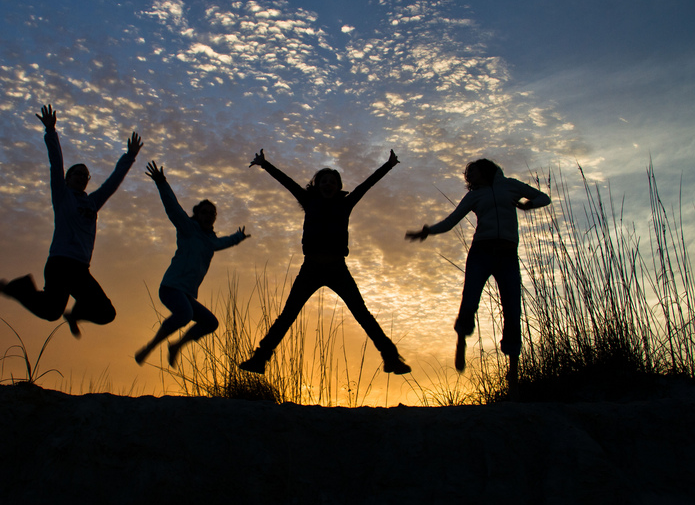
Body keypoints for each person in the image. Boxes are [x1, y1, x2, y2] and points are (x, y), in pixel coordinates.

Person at [239, 149, 411, 375]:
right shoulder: (308, 201)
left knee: (362, 314)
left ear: (338, 187)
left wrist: (388, 166)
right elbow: (288, 182)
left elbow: (366, 185)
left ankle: (391, 358)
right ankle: (259, 359)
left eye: (333, 181)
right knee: (288, 315)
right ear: (317, 185)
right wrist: (265, 164)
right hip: (310, 268)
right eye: (324, 181)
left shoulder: (345, 204)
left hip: (337, 269)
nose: (328, 184)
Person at [0, 104, 142, 338]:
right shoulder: (62, 195)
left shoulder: (92, 202)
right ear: (68, 178)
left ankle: (75, 315)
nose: (81, 177)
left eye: (85, 175)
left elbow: (112, 183)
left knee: (106, 313)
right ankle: (16, 290)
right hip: (60, 263)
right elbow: (55, 163)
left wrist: (129, 157)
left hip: (80, 269)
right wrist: (51, 131)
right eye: (77, 173)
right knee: (50, 312)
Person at [405, 158, 550, 385]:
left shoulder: (510, 185)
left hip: (507, 254)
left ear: (485, 170)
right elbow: (451, 221)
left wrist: (528, 205)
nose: (468, 176)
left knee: (513, 307)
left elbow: (544, 198)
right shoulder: (473, 196)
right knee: (470, 299)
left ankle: (513, 370)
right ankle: (462, 336)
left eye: (472, 171)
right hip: (481, 253)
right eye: (467, 174)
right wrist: (427, 232)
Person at [135, 161, 250, 367]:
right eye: (205, 212)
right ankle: (149, 347)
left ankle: (177, 346)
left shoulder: (211, 241)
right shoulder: (188, 229)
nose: (209, 216)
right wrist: (162, 183)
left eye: (212, 214)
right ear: (197, 214)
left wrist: (238, 237)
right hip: (171, 287)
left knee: (210, 322)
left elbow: (224, 242)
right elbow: (173, 207)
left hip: (186, 294)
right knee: (185, 314)